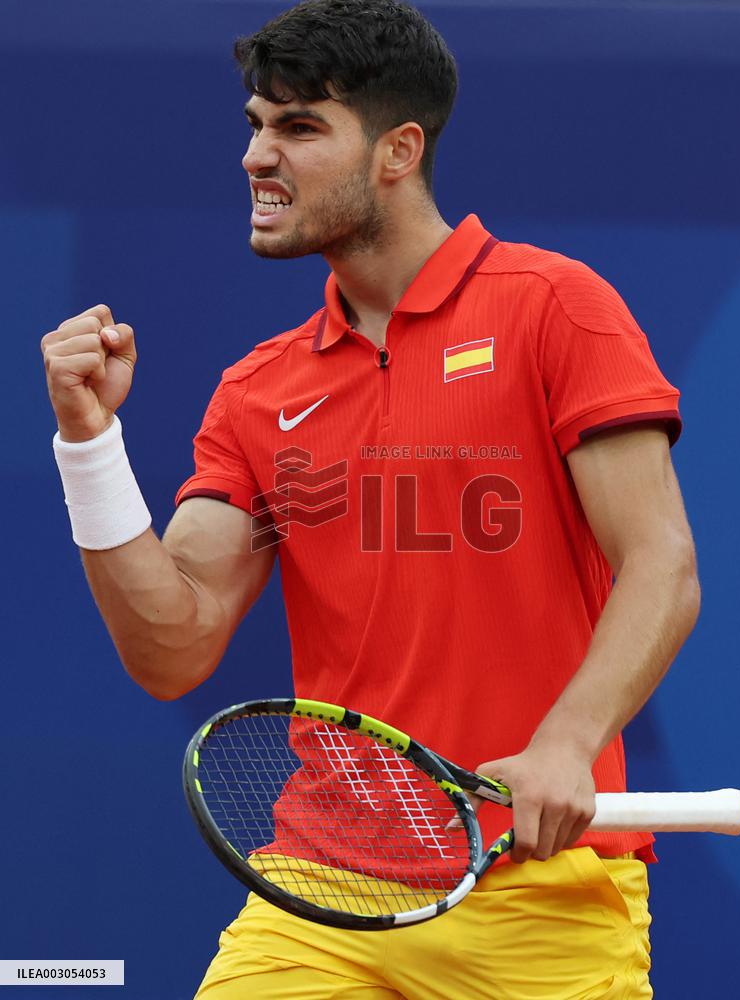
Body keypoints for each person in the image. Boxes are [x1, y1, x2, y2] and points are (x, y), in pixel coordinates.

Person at [41, 1, 700, 997]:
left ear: (399, 150)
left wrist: (566, 742)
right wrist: (88, 443)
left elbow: (663, 565)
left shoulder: (555, 310)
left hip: (544, 893)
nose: (259, 156)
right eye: (258, 123)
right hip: (320, 890)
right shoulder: (258, 389)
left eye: (300, 128)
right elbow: (171, 643)